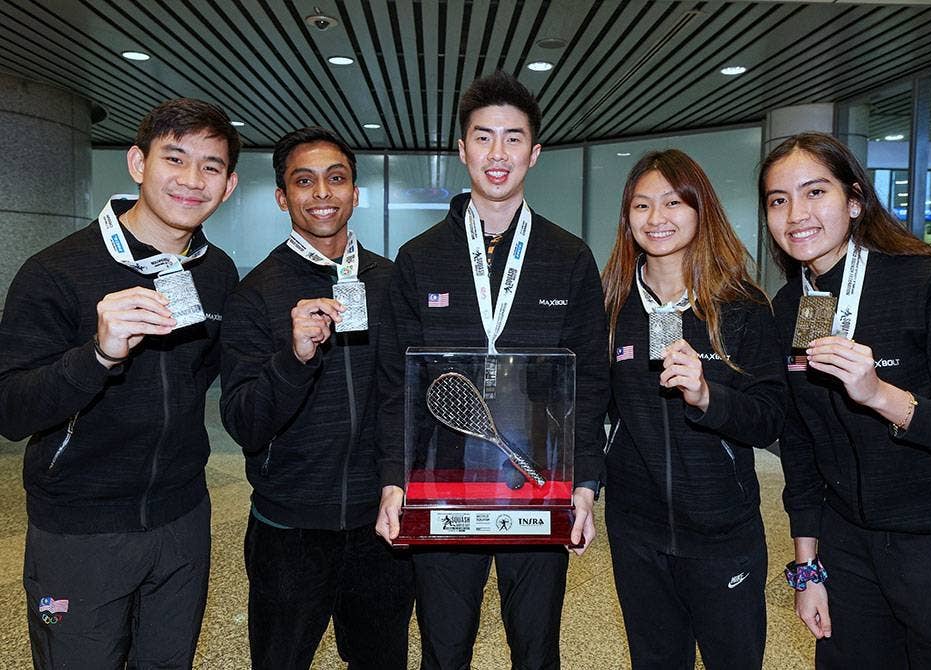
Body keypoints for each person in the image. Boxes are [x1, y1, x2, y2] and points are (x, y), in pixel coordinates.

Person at [374, 70, 609, 669]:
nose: (496, 154)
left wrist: (584, 483)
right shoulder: (420, 258)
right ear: (461, 149)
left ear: (534, 152)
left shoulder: (569, 256)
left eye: (512, 139)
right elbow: (394, 382)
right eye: (483, 137)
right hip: (441, 483)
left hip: (539, 483)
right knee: (444, 649)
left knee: (536, 650)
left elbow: (591, 382)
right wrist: (393, 480)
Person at [0, 98, 240, 668]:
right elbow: (10, 410)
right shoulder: (56, 270)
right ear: (137, 162)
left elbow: (197, 378)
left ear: (228, 186)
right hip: (80, 529)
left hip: (182, 519)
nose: (191, 180)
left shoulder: (218, 272)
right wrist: (97, 356)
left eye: (210, 166)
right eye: (174, 158)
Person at [761, 132, 931, 668]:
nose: (796, 213)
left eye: (815, 192)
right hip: (848, 546)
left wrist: (882, 396)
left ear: (855, 200)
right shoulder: (792, 304)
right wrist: (808, 571)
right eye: (779, 200)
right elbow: (800, 445)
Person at [220, 127, 415, 669]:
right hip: (291, 528)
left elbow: (407, 391)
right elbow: (243, 421)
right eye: (303, 182)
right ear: (283, 197)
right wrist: (295, 358)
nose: (322, 193)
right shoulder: (255, 293)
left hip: (382, 519)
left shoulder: (390, 281)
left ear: (356, 192)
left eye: (336, 179)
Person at [601, 150, 785, 669]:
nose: (656, 219)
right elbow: (591, 410)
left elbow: (771, 416)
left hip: (722, 532)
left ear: (701, 209)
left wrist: (709, 398)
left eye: (673, 202)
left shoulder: (742, 305)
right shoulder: (611, 306)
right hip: (636, 530)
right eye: (642, 205)